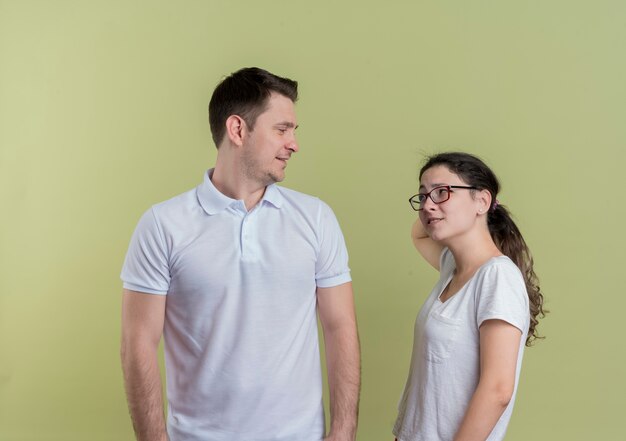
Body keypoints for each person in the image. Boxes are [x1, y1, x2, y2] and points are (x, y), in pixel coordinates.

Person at [120, 67, 360, 441]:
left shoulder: (315, 218)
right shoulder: (163, 225)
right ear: (237, 130)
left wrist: (343, 431)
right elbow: (139, 342)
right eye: (282, 129)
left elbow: (339, 326)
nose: (294, 143)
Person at [393, 152, 545, 441]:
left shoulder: (497, 278)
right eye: (423, 196)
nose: (427, 205)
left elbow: (498, 389)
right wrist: (444, 206)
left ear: (482, 201)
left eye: (442, 192)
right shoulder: (453, 265)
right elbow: (419, 234)